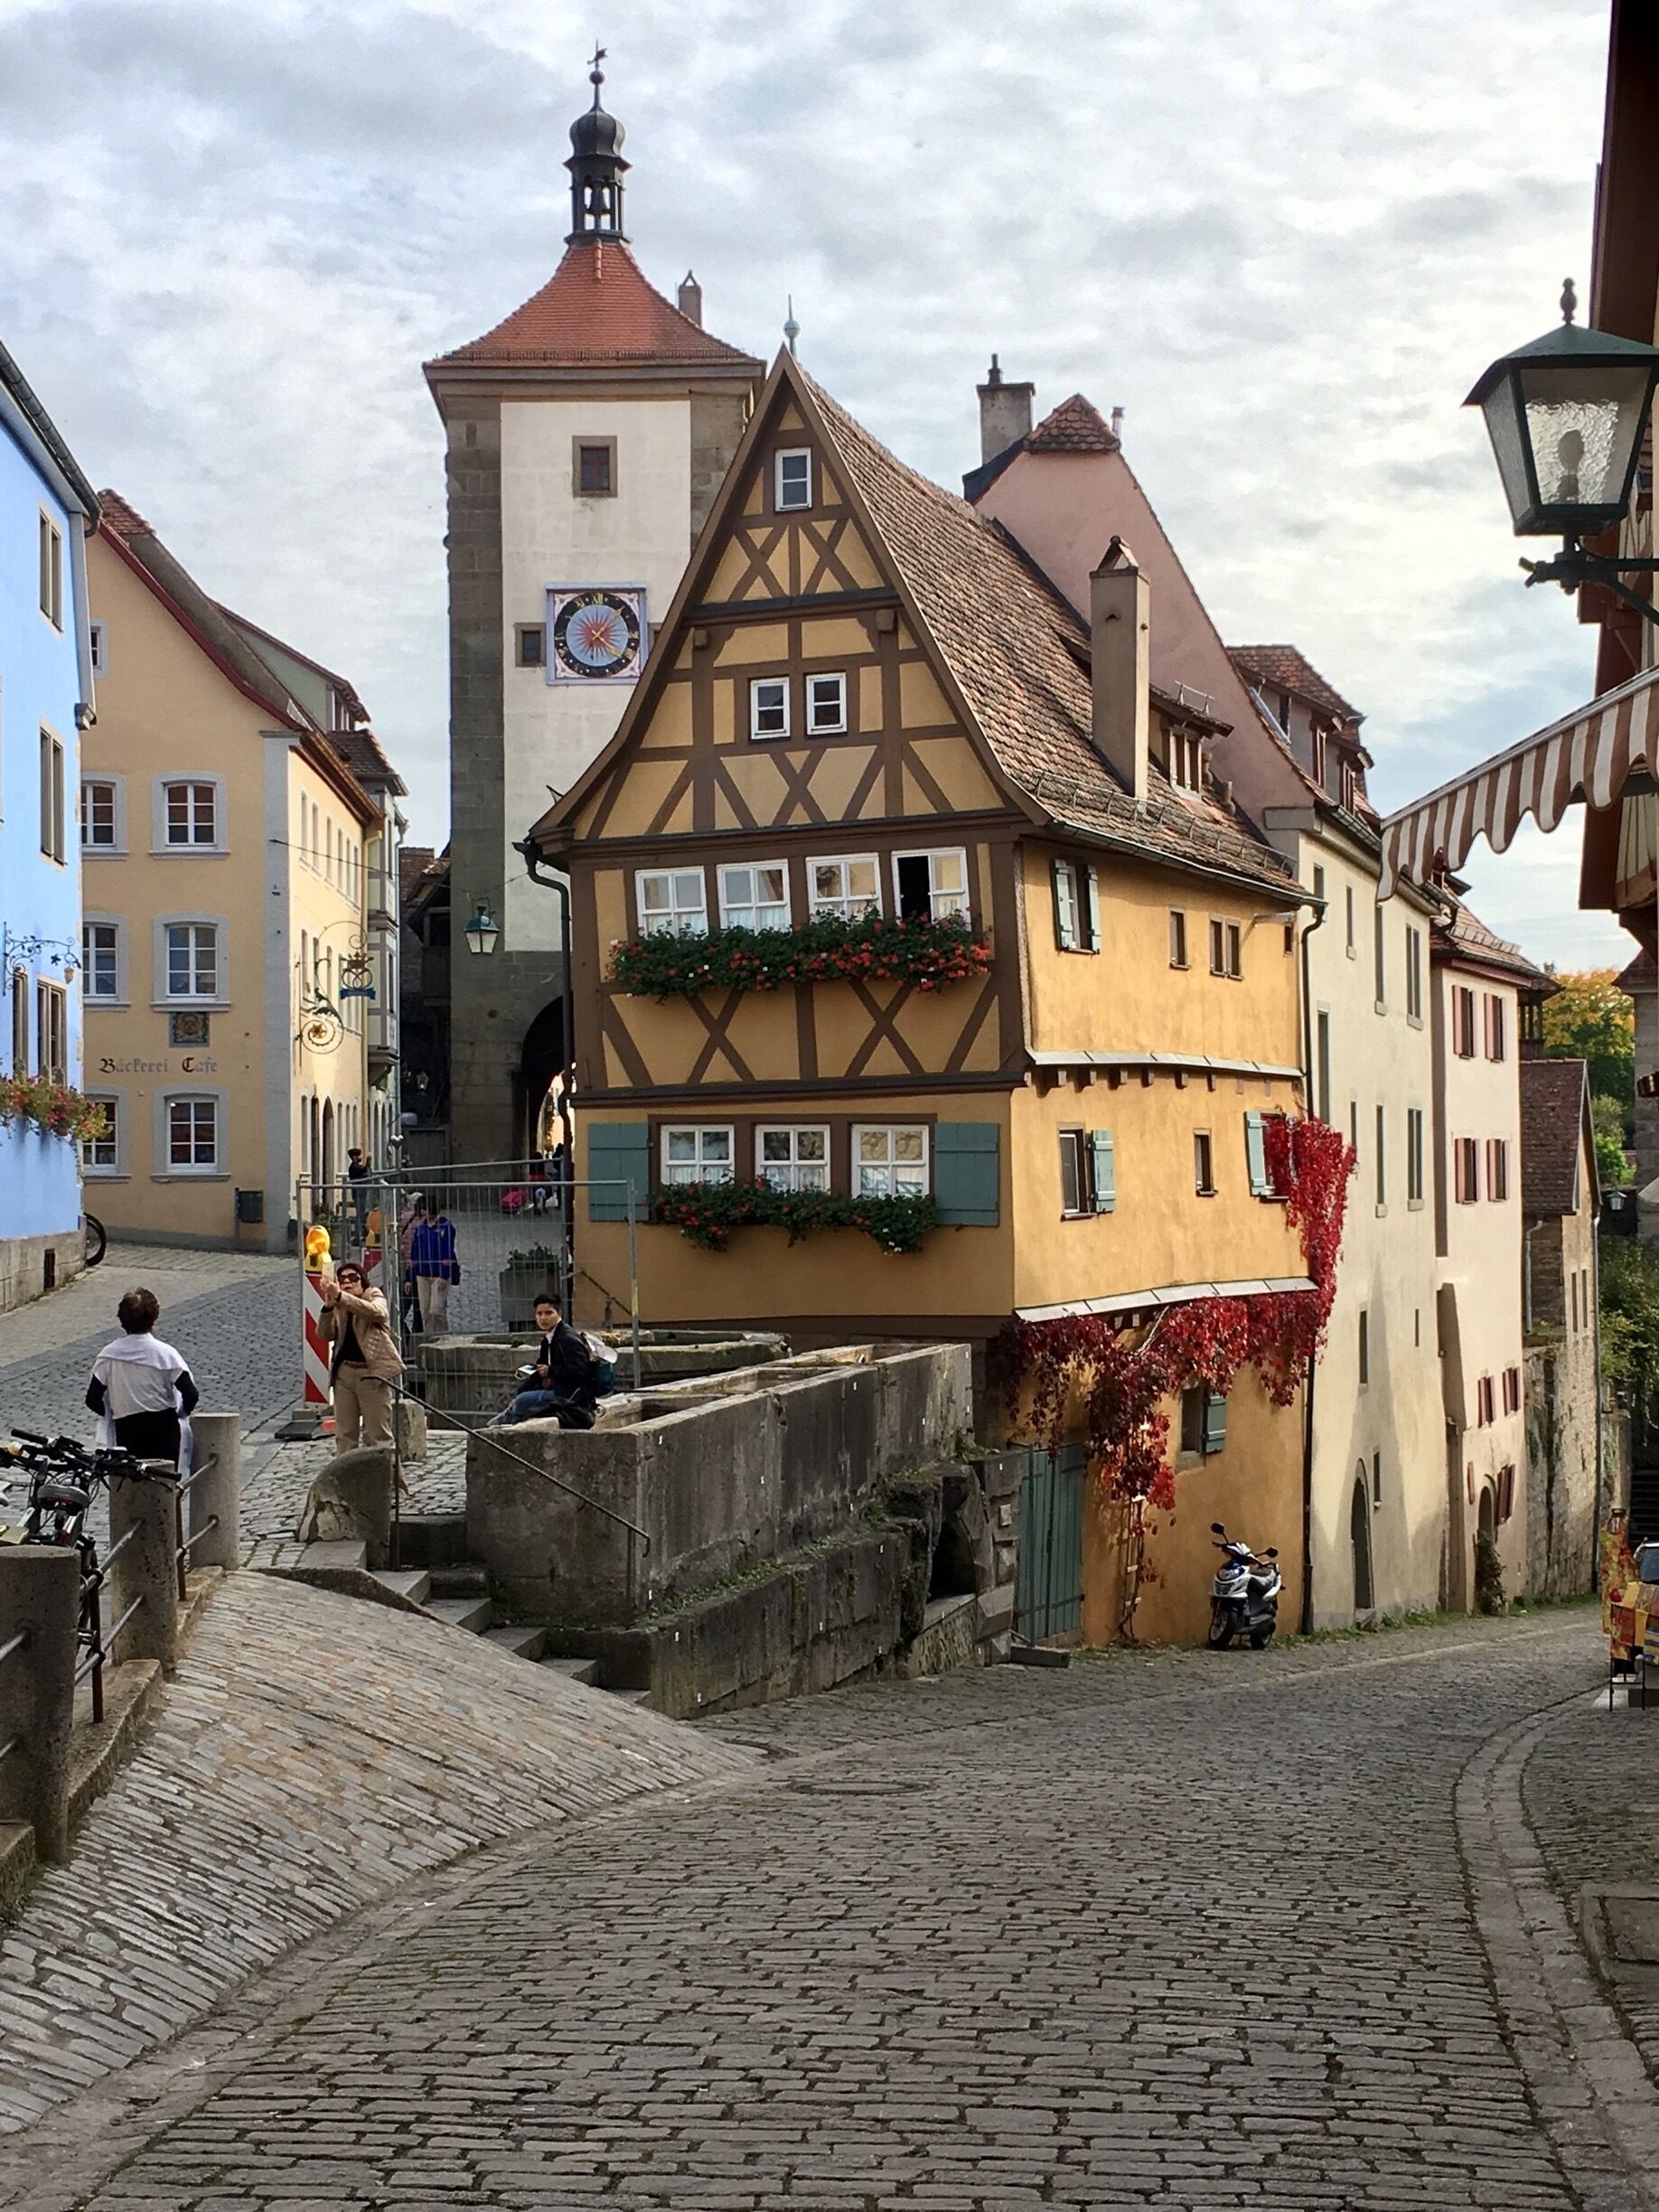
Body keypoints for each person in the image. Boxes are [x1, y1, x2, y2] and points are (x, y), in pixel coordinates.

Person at [85, 1288, 199, 1468]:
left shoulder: (108, 1356)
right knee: (164, 1485)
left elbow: (92, 1399)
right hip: (164, 1429)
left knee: (131, 1485)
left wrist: (113, 1411)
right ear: (153, 1319)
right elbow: (191, 1393)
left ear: (122, 1321)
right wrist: (181, 1413)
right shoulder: (166, 1354)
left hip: (127, 1429)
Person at [317, 1261, 403, 1450]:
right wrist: (328, 1308)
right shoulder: (339, 1304)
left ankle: (387, 1479)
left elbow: (377, 1313)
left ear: (362, 1281)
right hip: (344, 1374)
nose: (347, 1281)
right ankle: (347, 1479)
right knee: (345, 1437)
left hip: (371, 1375)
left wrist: (341, 1296)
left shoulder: (373, 1295)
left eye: (353, 1277)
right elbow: (324, 1335)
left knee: (379, 1437)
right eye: (342, 1279)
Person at [494, 1293, 597, 1428]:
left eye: (549, 1313)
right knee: (520, 1399)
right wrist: (520, 1392)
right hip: (559, 1389)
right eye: (539, 1314)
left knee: (522, 1402)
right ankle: (504, 1422)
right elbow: (539, 1371)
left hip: (571, 1395)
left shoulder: (567, 1339)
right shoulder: (549, 1339)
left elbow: (578, 1372)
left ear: (559, 1313)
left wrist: (551, 1371)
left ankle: (511, 1432)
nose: (543, 1318)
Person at [406, 1202, 460, 1335]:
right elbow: (414, 1254)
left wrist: (444, 1275)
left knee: (436, 1310)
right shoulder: (420, 1229)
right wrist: (409, 1277)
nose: (423, 1212)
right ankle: (429, 1339)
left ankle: (443, 1336)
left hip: (438, 1275)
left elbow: (448, 1252)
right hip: (422, 1275)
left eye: (426, 1209)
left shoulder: (446, 1227)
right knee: (425, 1312)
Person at [397, 1193, 426, 1334]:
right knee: (417, 1309)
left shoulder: (405, 1218)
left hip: (404, 1265)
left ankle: (406, 1337)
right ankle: (414, 1340)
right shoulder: (423, 1225)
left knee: (402, 1309)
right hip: (417, 1268)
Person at [345, 1147, 371, 1242]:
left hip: (361, 1192)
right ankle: (357, 1236)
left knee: (362, 1214)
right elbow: (362, 1171)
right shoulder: (354, 1167)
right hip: (359, 1193)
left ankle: (362, 1234)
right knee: (360, 1215)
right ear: (353, 1157)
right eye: (358, 1155)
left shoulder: (356, 1166)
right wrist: (368, 1163)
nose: (360, 1157)